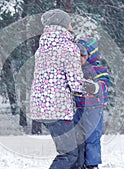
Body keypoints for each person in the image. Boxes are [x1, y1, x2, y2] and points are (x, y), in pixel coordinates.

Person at [30, 9, 86, 169]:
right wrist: (90, 88)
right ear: (63, 24)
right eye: (69, 21)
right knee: (68, 154)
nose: (71, 25)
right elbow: (75, 82)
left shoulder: (42, 48)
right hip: (58, 108)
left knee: (77, 145)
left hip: (42, 106)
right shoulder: (68, 47)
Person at [72, 38, 110, 169]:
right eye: (77, 55)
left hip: (94, 108)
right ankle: (79, 162)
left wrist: (97, 87)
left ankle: (92, 164)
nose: (79, 58)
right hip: (80, 108)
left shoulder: (98, 69)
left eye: (82, 55)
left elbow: (104, 84)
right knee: (77, 136)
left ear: (90, 55)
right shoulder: (75, 70)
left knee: (92, 137)